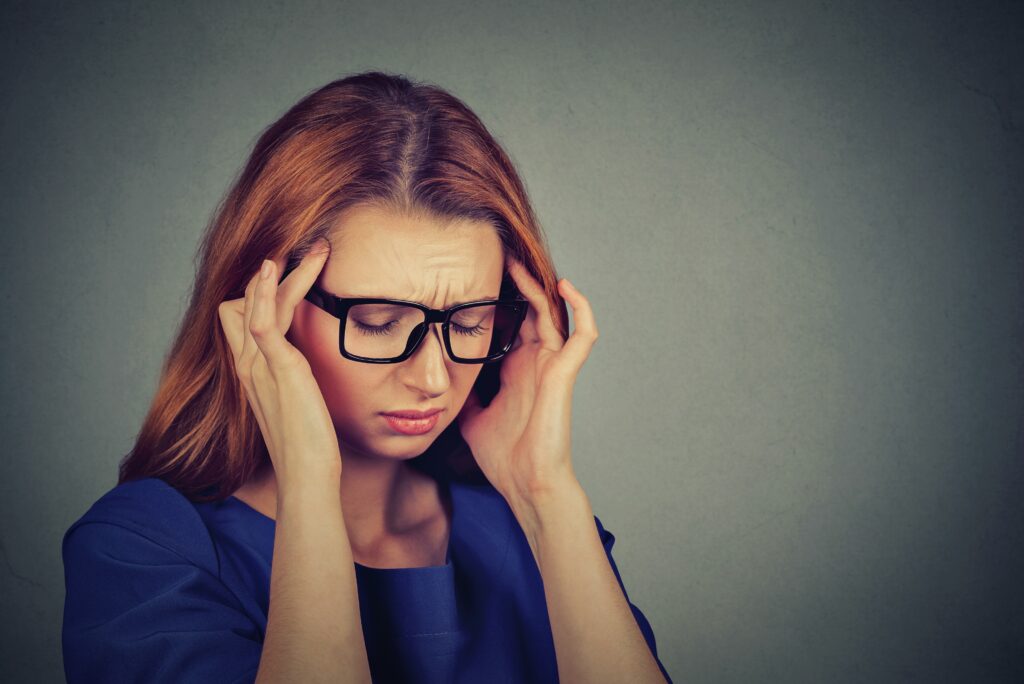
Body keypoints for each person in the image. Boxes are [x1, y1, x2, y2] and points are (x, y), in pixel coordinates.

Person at [61, 70, 672, 683]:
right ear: (264, 307)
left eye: (471, 321)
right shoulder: (146, 550)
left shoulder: (535, 530)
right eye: (379, 322)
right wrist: (308, 481)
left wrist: (547, 495)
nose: (434, 376)